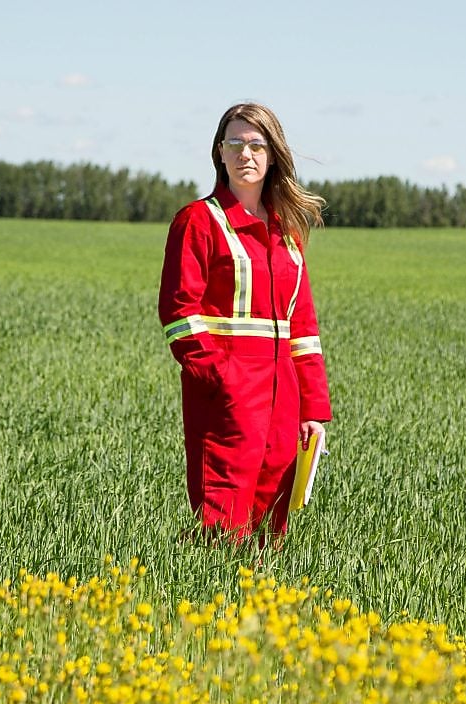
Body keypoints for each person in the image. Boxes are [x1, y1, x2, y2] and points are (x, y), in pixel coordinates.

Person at [158, 102, 332, 544]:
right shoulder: (198, 221)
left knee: (273, 516)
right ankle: (205, 600)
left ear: (272, 155)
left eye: (257, 145)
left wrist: (313, 410)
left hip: (284, 396)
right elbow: (180, 315)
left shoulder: (287, 232)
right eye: (235, 143)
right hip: (226, 394)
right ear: (219, 152)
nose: (245, 154)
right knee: (222, 511)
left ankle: (257, 606)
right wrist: (222, 378)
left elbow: (304, 328)